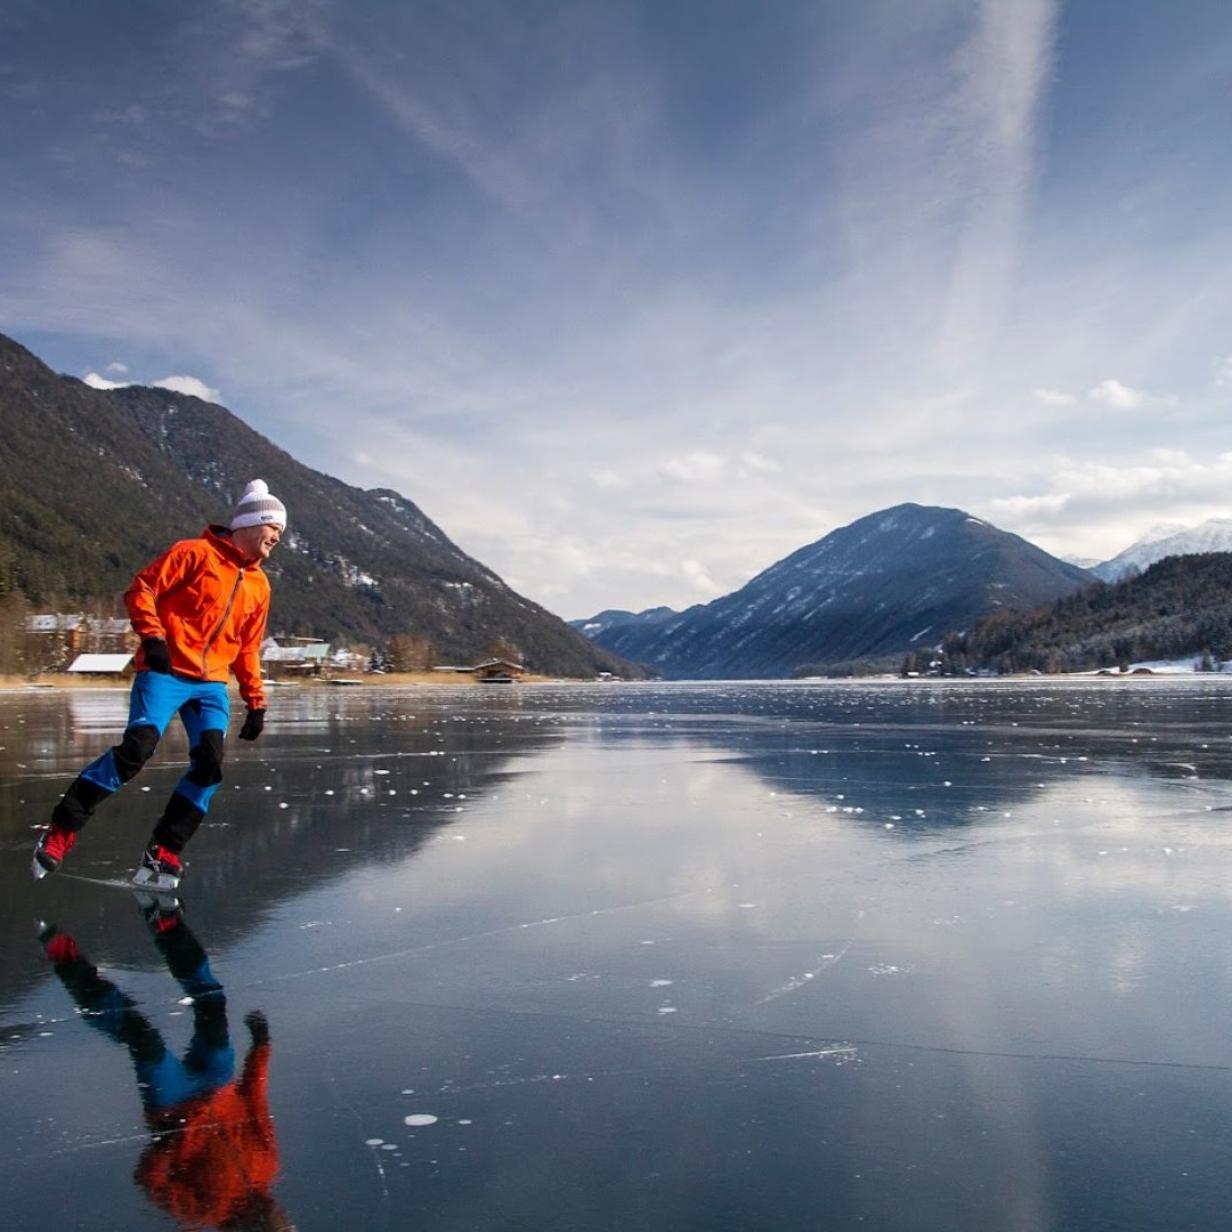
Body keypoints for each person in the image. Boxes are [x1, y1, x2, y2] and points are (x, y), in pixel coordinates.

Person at [32, 479, 286, 890]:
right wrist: (153, 638)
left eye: (281, 532)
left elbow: (248, 647)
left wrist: (256, 701)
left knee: (209, 765)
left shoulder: (260, 586)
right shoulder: (193, 553)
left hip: (210, 686)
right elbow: (142, 589)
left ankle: (163, 852)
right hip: (166, 672)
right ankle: (62, 829)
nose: (278, 537)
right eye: (274, 528)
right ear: (251, 523)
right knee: (138, 749)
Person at [38, 903, 289, 1230]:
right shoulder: (267, 1167)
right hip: (218, 1083)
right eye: (280, 1219)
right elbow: (256, 1104)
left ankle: (66, 960)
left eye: (272, 1223)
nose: (276, 1214)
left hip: (175, 1106)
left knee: (142, 1037)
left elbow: (150, 1181)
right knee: (212, 1002)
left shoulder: (205, 1212)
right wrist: (261, 1046)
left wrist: (168, 1145)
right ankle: (167, 926)